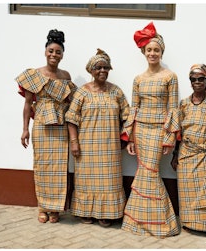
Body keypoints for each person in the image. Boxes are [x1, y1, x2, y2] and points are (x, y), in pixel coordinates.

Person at [121, 22, 180, 238]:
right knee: (144, 172)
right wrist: (131, 139)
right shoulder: (138, 79)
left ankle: (160, 223)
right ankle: (139, 222)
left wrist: (169, 137)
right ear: (143, 52)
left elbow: (173, 108)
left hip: (158, 132)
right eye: (149, 50)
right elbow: (134, 109)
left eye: (156, 49)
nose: (152, 53)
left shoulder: (170, 77)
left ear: (161, 51)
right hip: (141, 131)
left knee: (150, 173)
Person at [15, 29, 77, 223]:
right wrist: (25, 129)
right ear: (45, 51)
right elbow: (27, 104)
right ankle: (43, 206)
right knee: (42, 166)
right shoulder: (34, 75)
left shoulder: (65, 75)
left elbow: (71, 103)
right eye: (51, 51)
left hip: (60, 125)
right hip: (41, 125)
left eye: (58, 52)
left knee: (59, 167)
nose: (54, 55)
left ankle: (55, 209)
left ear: (62, 55)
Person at [66, 49, 129, 227]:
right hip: (86, 146)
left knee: (109, 181)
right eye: (98, 67)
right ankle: (86, 212)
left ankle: (107, 213)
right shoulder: (82, 93)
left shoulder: (116, 92)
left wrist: (124, 138)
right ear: (91, 70)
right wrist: (74, 142)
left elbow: (128, 115)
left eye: (105, 67)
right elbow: (71, 118)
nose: (102, 71)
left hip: (110, 147)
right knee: (86, 181)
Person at [171, 64, 206, 242]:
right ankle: (190, 222)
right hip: (186, 153)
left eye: (201, 78)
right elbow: (178, 133)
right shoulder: (184, 103)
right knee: (187, 191)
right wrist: (175, 155)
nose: (197, 82)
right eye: (193, 79)